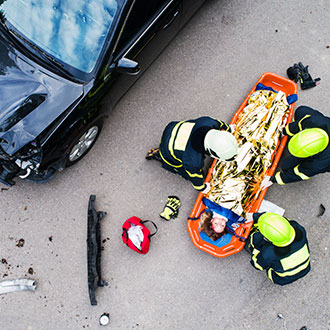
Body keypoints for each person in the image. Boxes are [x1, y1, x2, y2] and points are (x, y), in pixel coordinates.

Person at [146, 116, 238, 193]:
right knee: (183, 170)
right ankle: (158, 155)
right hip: (168, 150)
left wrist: (229, 129)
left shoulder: (208, 122)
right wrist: (203, 188)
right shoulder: (193, 161)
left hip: (173, 128)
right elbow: (195, 177)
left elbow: (220, 124)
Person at [261, 105, 330, 188]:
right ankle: (292, 136)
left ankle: (301, 159)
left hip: (324, 160)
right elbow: (299, 124)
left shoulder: (319, 164)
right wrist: (284, 132)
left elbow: (299, 174)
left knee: (286, 166)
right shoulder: (316, 121)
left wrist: (273, 179)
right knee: (301, 111)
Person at [245, 212, 310, 285]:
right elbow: (283, 221)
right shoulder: (299, 229)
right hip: (306, 268)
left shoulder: (270, 253)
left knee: (255, 241)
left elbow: (257, 265)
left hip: (283, 278)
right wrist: (256, 216)